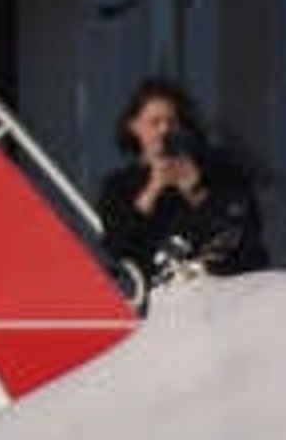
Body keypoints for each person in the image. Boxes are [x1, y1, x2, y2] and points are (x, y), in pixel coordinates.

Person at [94, 78, 267, 295]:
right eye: (155, 122)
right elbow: (115, 246)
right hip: (153, 298)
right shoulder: (119, 186)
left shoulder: (217, 174)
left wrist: (195, 191)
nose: (164, 130)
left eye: (172, 122)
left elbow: (244, 234)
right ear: (134, 126)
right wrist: (152, 190)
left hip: (217, 294)